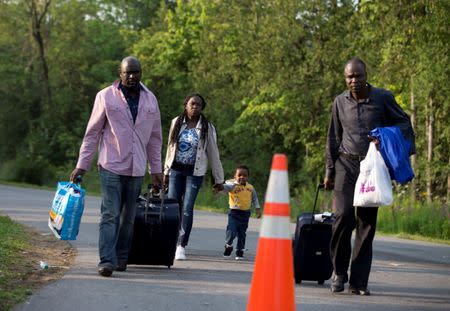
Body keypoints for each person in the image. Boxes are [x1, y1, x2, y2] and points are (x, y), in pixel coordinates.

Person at [324, 57, 415, 295]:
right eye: (349, 77)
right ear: (345, 79)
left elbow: (404, 124)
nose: (353, 80)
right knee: (343, 217)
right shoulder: (339, 102)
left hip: (372, 168)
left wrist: (384, 135)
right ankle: (339, 272)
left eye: (358, 76)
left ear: (366, 75)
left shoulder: (383, 98)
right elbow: (333, 136)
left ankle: (358, 282)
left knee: (366, 223)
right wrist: (329, 170)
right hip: (345, 164)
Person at [70, 56, 163, 277]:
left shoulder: (151, 100)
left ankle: (122, 258)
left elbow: (155, 138)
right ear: (119, 74)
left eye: (136, 72)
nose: (132, 76)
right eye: (127, 72)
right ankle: (107, 261)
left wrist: (156, 170)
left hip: (137, 168)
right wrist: (82, 164)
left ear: (141, 73)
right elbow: (92, 134)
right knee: (110, 214)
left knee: (128, 217)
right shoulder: (105, 96)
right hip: (111, 165)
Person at [164, 93, 224, 260]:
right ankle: (169, 241)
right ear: (186, 105)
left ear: (202, 108)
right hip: (176, 170)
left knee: (187, 208)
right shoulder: (176, 122)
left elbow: (213, 153)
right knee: (172, 207)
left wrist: (219, 179)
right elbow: (170, 148)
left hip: (194, 172)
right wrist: (165, 172)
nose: (195, 107)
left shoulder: (207, 127)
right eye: (192, 104)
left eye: (198, 104)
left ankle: (181, 244)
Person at [216, 165, 261, 260]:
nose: (242, 177)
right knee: (231, 231)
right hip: (234, 213)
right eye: (239, 175)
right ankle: (228, 246)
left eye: (244, 175)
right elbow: (224, 187)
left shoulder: (250, 188)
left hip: (245, 214)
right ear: (235, 176)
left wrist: (257, 208)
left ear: (247, 177)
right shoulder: (232, 186)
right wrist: (219, 187)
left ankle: (240, 250)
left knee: (242, 233)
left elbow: (255, 198)